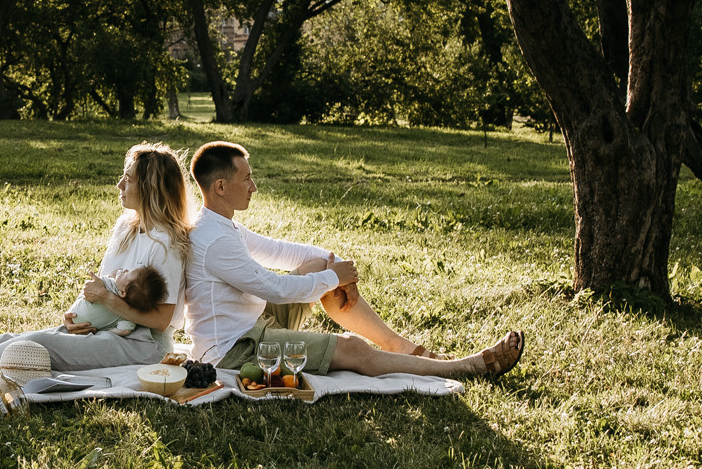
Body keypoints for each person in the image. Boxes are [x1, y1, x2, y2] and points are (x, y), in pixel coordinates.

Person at [184, 140, 523, 381]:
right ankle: (467, 367)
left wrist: (338, 269)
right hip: (236, 351)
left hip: (255, 323)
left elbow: (281, 252)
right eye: (246, 178)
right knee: (354, 350)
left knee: (320, 266)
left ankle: (396, 345)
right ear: (221, 187)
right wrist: (335, 278)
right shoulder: (215, 241)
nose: (254, 186)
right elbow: (276, 288)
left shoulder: (222, 225)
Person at [0, 142, 192, 370]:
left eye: (128, 180)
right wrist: (73, 317)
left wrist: (104, 298)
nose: (119, 185)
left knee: (33, 346)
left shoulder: (165, 244)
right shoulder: (126, 227)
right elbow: (101, 287)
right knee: (12, 339)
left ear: (150, 189)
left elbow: (160, 321)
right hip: (104, 327)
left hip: (143, 344)